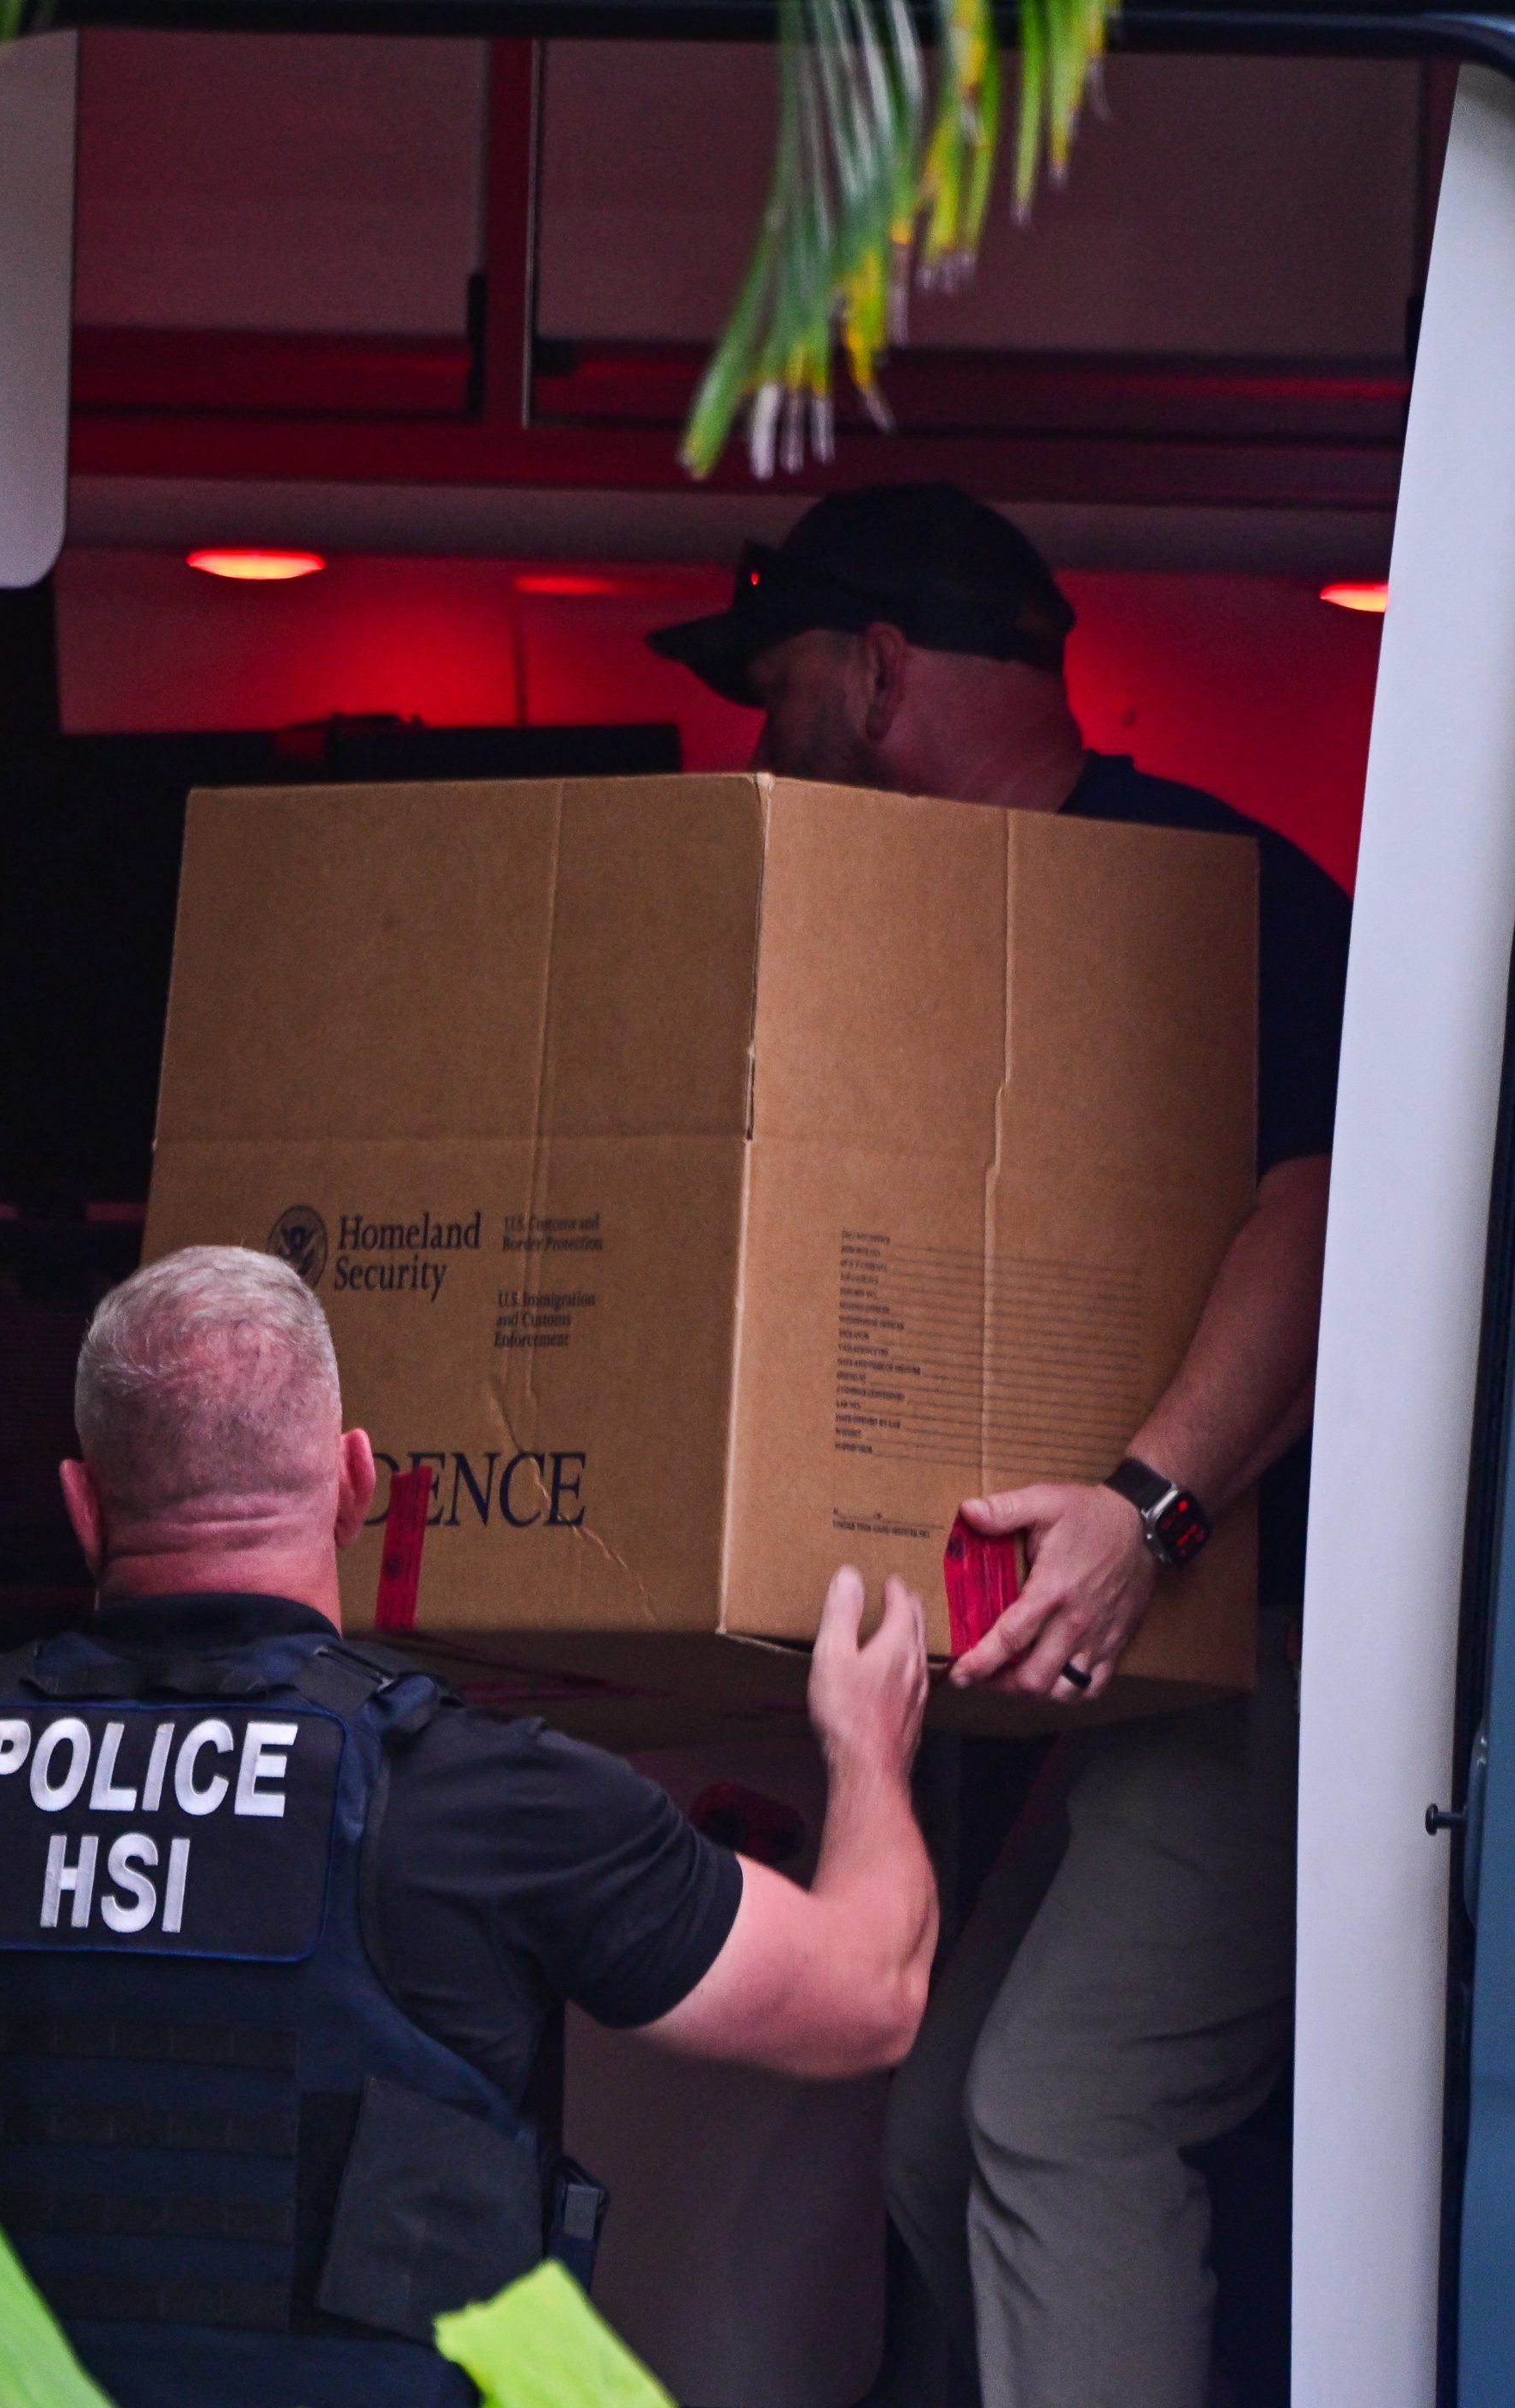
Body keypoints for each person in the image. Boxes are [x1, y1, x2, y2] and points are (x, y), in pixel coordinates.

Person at [647, 483, 1350, 2408]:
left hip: (1285, 1655)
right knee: (945, 2120)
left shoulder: (1204, 890)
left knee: (1054, 2108)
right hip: (1120, 1686)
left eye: (777, 693)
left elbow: (1328, 1211)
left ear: (880, 674)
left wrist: (1149, 1509)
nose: (759, 743)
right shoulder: (930, 948)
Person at [0, 1244, 936, 2408]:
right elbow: (868, 1996)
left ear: (82, 1505)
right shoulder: (483, 1799)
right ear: (360, 1484)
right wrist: (872, 1754)